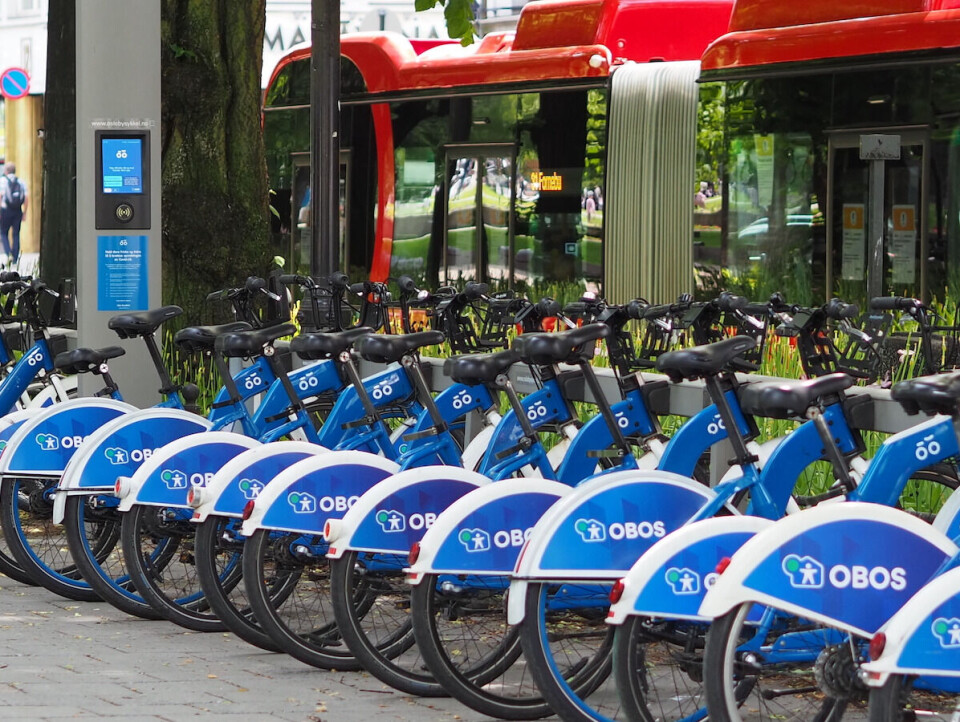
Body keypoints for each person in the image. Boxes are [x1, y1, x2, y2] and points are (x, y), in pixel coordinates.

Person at [0, 162, 27, 264]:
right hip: (17, 211)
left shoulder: (2, 181)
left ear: (6, 171)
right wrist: (25, 212)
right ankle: (15, 258)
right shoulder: (21, 182)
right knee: (16, 234)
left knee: (3, 233)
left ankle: (8, 253)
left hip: (5, 210)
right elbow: (26, 198)